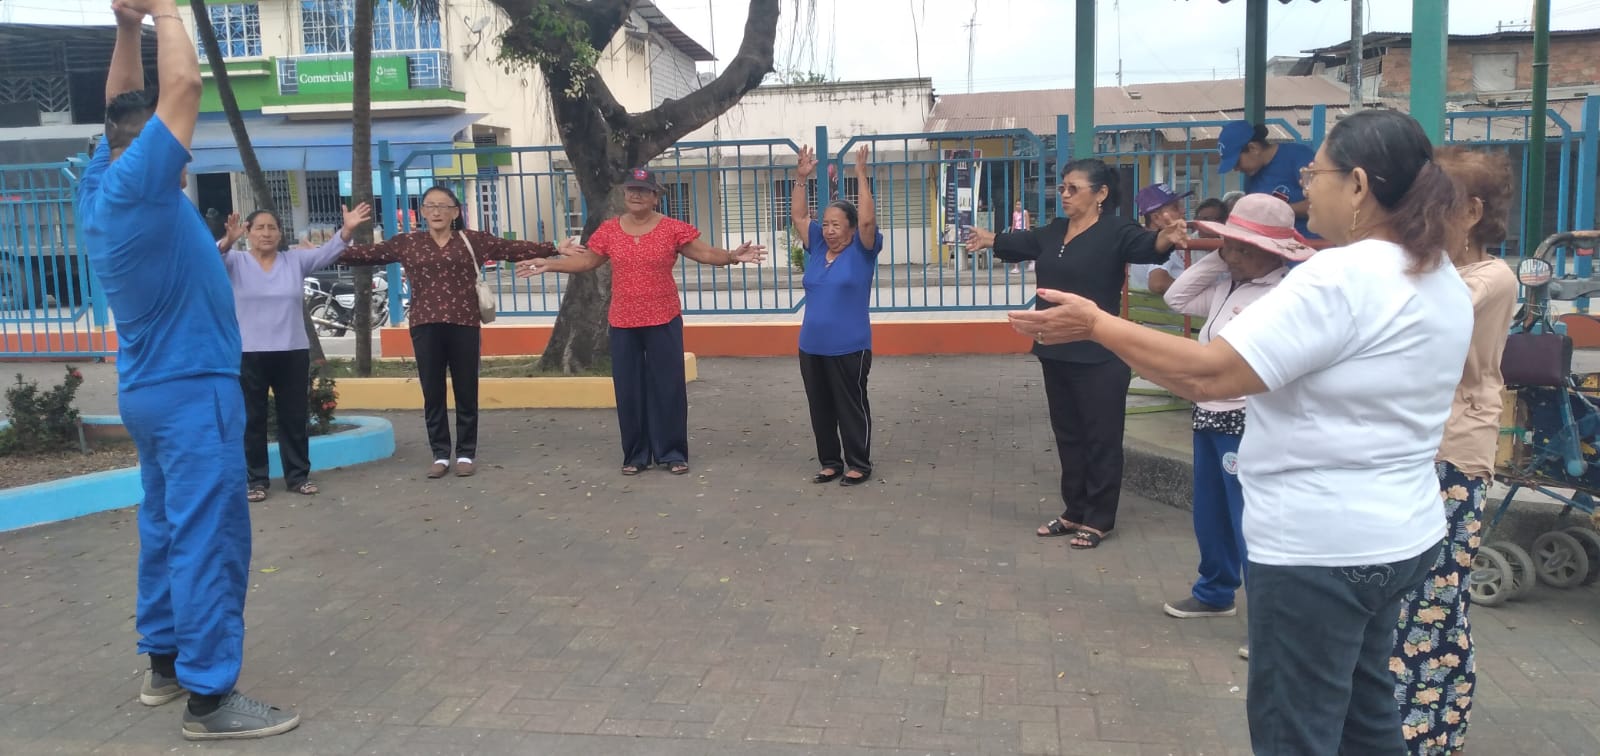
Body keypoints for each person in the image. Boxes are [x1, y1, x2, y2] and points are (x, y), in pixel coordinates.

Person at [1007, 109, 1469, 755]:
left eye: (1315, 174)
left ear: (1359, 185)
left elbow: (1211, 375)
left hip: (1320, 548)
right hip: (1399, 534)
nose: (1307, 190)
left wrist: (1097, 325)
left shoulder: (1341, 277)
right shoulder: (1436, 272)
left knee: (1296, 731)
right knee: (1365, 717)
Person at [78, 0, 298, 739]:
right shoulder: (141, 187)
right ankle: (211, 698)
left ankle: (166, 664)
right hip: (191, 388)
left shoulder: (102, 185)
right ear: (151, 151)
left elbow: (122, 106)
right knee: (210, 536)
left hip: (151, 388)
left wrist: (126, 27)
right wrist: (167, 12)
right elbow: (182, 90)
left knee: (167, 527)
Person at [964, 159, 1189, 550]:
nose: (1064, 195)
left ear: (1100, 194)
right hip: (1055, 350)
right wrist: (989, 239)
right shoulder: (1055, 231)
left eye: (1073, 189)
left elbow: (1146, 247)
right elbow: (1022, 243)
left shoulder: (1116, 230)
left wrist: (1166, 238)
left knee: (1101, 438)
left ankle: (1099, 518)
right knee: (1068, 436)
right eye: (1062, 188)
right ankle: (1074, 510)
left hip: (1100, 355)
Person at [1391, 147, 1517, 756]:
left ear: (1471, 212)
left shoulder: (1491, 278)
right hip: (1416, 443)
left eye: (1435, 202)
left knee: (1435, 601)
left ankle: (1430, 731)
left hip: (1456, 451)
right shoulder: (1430, 269)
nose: (1418, 215)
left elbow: (1418, 318)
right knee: (1408, 597)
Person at [516, 168, 767, 476]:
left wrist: (732, 256)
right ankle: (636, 455)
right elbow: (587, 260)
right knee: (629, 389)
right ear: (624, 194)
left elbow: (704, 253)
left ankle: (672, 453)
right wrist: (549, 264)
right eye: (631, 189)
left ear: (655, 197)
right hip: (623, 322)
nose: (636, 195)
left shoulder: (672, 228)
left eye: (643, 190)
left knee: (668, 386)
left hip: (663, 319)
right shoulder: (609, 230)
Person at [339, 185, 574, 479]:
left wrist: (555, 247)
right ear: (422, 212)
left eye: (443, 206)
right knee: (432, 391)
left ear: (455, 212)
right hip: (425, 325)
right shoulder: (407, 242)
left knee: (466, 389)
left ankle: (465, 453)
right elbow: (361, 255)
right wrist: (343, 235)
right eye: (430, 206)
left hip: (464, 324)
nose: (436, 211)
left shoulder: (472, 240)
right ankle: (440, 455)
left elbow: (511, 249)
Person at [1157, 194, 1310, 625]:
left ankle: (1268, 617)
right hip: (1208, 410)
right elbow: (1176, 298)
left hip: (1245, 417)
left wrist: (1231, 252)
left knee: (1249, 519)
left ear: (1271, 252)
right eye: (1230, 247)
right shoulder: (1228, 284)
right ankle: (1214, 590)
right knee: (1211, 512)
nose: (1234, 256)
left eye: (1244, 249)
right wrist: (1221, 255)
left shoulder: (1281, 294)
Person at [220, 203, 372, 502]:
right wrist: (227, 240)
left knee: (294, 416)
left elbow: (328, 252)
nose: (266, 233)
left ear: (280, 233)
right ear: (247, 232)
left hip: (291, 350)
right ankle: (256, 480)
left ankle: (298, 477)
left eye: (272, 228)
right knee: (252, 419)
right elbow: (210, 258)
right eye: (259, 228)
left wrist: (347, 230)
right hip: (249, 353)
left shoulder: (294, 261)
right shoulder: (235, 261)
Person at [792, 145, 882, 486]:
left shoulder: (863, 250)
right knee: (820, 407)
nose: (829, 230)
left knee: (850, 405)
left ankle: (859, 462)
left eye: (836, 225)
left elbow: (868, 220)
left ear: (852, 228)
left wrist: (860, 175)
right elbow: (800, 218)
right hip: (811, 346)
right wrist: (801, 178)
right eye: (826, 224)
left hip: (849, 348)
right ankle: (830, 462)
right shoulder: (817, 247)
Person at [1217, 120, 1317, 238]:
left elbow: (1321, 203)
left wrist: (1278, 211)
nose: (1236, 169)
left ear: (1253, 148)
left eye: (1237, 162)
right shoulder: (1251, 177)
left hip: (1311, 243)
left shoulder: (1298, 156)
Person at [1127, 183, 1193, 294]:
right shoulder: (1164, 244)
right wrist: (1195, 293)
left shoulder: (1142, 241)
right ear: (1156, 218)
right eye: (1175, 208)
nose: (1183, 211)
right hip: (1165, 305)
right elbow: (1158, 284)